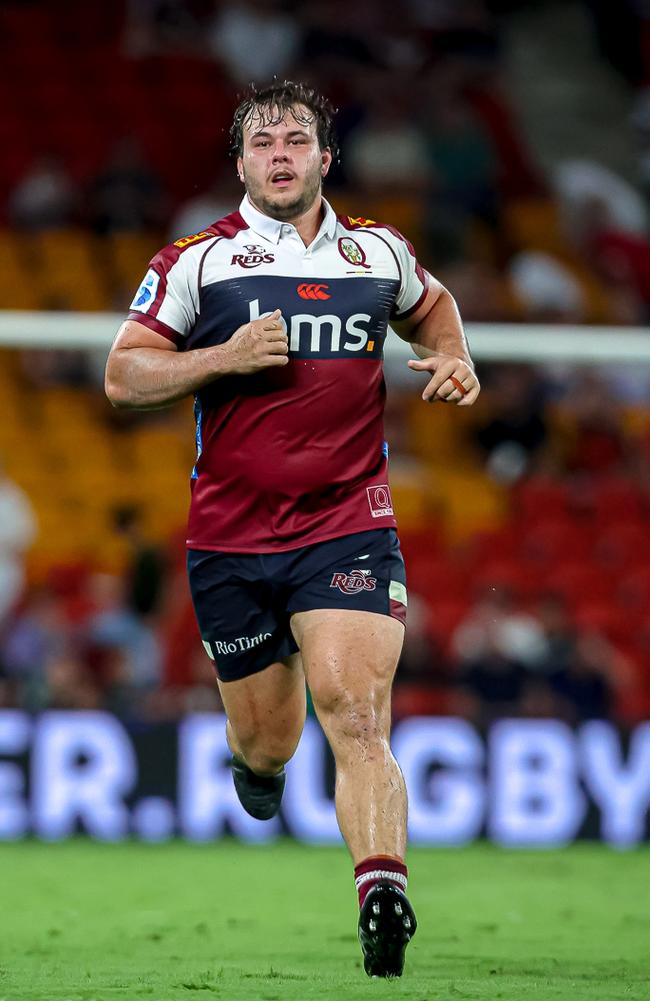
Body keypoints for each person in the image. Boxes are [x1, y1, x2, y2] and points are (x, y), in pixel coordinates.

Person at [104, 80, 480, 978]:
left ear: (323, 157)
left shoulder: (376, 252)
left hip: (348, 523)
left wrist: (455, 352)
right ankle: (261, 768)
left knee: (355, 712)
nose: (279, 152)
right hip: (231, 537)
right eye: (262, 141)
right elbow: (123, 377)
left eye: (295, 138)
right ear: (240, 164)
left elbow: (430, 304)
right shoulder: (197, 261)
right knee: (267, 738)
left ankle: (381, 888)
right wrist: (222, 359)